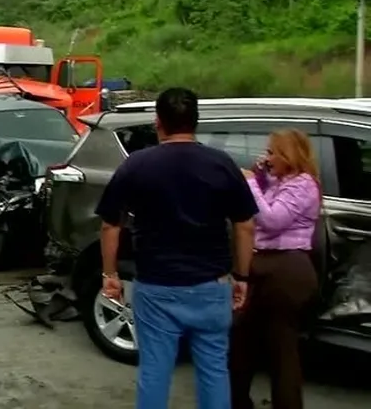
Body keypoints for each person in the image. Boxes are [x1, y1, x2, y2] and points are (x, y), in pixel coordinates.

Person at [93, 87, 257, 409]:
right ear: (195, 122)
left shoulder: (137, 165)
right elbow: (245, 224)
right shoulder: (221, 164)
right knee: (213, 370)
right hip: (211, 286)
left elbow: (111, 224)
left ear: (158, 122)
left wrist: (109, 274)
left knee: (155, 371)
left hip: (157, 287)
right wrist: (242, 277)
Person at [229, 129, 321, 409]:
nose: (267, 157)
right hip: (263, 263)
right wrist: (260, 176)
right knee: (241, 340)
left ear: (288, 155)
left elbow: (272, 219)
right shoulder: (280, 180)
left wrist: (251, 185)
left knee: (281, 346)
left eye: (272, 152)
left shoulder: (303, 184)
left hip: (287, 268)